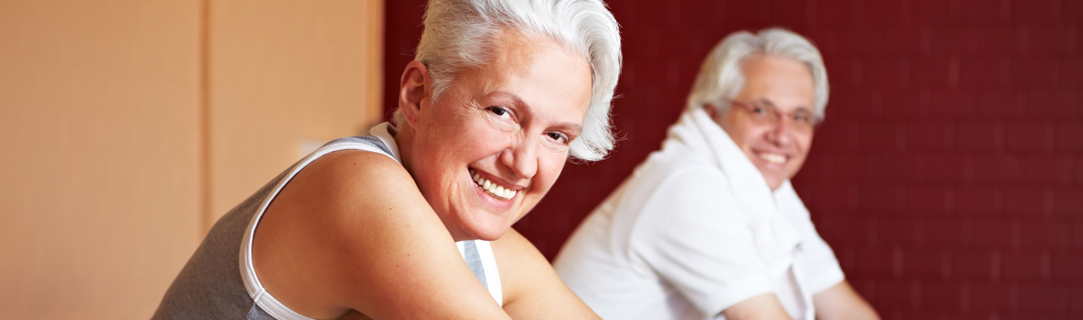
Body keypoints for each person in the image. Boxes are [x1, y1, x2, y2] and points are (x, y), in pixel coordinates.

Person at [153, 0, 620, 318]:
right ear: (417, 95)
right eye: (502, 112)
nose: (525, 165)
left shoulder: (480, 248)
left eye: (556, 136)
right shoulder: (360, 187)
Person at [553, 28, 879, 320]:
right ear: (714, 113)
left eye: (799, 117)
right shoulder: (687, 185)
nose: (782, 136)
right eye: (761, 110)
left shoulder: (769, 194)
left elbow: (847, 311)